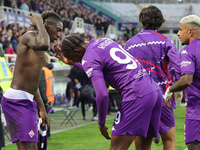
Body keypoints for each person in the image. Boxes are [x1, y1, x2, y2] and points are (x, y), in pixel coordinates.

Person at [54, 34, 163, 149]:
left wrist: (101, 123)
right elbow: (95, 65)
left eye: (73, 58)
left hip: (136, 96)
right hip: (153, 91)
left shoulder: (88, 58)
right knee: (143, 148)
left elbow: (102, 95)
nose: (75, 60)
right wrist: (72, 63)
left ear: (77, 51)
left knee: (115, 148)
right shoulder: (104, 41)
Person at [1, 11, 63, 150]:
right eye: (58, 29)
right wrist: (39, 22)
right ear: (47, 24)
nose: (59, 34)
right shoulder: (29, 37)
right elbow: (44, 44)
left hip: (25, 101)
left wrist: (41, 108)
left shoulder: (39, 48)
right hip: (17, 101)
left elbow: (33, 84)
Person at [124, 5, 181, 150]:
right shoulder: (165, 41)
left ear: (141, 21)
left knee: (142, 146)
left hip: (139, 98)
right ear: (160, 21)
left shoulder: (128, 45)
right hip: (162, 97)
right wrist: (178, 87)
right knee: (168, 142)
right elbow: (178, 67)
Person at [164, 14, 200, 150]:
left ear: (190, 32)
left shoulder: (188, 51)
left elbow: (186, 80)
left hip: (196, 113)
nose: (178, 34)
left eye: (180, 29)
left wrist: (170, 90)